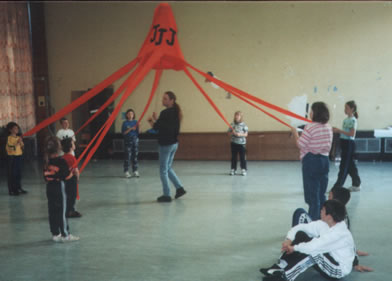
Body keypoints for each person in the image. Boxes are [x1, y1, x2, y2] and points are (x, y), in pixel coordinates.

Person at [260, 200, 355, 281]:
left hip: (337, 269)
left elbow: (313, 247)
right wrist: (289, 240)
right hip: (328, 257)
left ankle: (285, 276)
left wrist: (294, 248)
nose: (320, 211)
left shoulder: (339, 234)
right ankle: (280, 267)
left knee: (313, 251)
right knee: (301, 235)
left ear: (329, 217)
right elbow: (301, 227)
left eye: (322, 210)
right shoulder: (325, 223)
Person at [292, 187, 373, 273]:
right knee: (300, 213)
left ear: (336, 200)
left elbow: (348, 240)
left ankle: (295, 251)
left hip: (323, 243)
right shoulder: (333, 210)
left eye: (330, 196)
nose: (327, 199)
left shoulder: (341, 220)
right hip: (319, 232)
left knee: (301, 216)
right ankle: (295, 246)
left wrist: (354, 261)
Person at [290, 102, 333, 220]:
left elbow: (300, 144)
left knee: (312, 196)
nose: (310, 113)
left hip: (311, 162)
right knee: (321, 194)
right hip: (324, 161)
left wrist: (295, 134)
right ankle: (322, 219)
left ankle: (314, 224)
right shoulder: (328, 127)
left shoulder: (310, 127)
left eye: (311, 111)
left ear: (315, 113)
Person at [148, 91, 186, 203]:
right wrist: (157, 119)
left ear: (171, 100)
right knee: (168, 168)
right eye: (163, 98)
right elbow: (164, 126)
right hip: (174, 144)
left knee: (163, 170)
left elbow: (156, 127)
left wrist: (151, 120)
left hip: (166, 144)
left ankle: (166, 195)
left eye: (165, 99)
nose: (163, 101)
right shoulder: (176, 112)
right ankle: (180, 188)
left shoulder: (165, 113)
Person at [43, 136, 79, 242]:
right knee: (62, 211)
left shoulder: (46, 161)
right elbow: (66, 176)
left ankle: (55, 234)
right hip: (59, 188)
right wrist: (72, 173)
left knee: (52, 210)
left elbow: (45, 177)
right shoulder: (61, 161)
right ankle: (65, 234)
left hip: (49, 187)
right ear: (59, 148)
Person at [332, 101, 361, 192]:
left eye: (347, 108)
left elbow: (352, 134)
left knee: (344, 166)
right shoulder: (346, 120)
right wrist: (337, 130)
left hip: (349, 144)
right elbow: (345, 132)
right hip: (344, 143)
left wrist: (339, 131)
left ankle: (337, 187)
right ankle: (356, 184)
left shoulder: (353, 120)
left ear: (352, 109)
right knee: (350, 166)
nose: (345, 110)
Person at [61, 138, 82, 218]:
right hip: (71, 179)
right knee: (72, 196)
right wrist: (77, 178)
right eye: (73, 143)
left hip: (64, 180)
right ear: (70, 147)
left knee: (66, 195)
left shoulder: (63, 157)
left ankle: (66, 210)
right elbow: (76, 171)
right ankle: (71, 211)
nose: (74, 144)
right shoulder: (72, 157)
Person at [6, 122, 27, 196]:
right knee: (12, 174)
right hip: (12, 158)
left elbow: (22, 147)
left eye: (17, 128)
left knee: (19, 174)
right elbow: (11, 147)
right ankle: (12, 190)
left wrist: (21, 142)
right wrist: (17, 143)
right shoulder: (9, 138)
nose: (17, 130)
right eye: (15, 128)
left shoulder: (18, 137)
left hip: (19, 157)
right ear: (10, 130)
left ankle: (19, 188)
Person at [228, 111, 248, 176]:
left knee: (242, 157)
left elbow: (246, 134)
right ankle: (233, 169)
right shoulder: (232, 125)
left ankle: (243, 169)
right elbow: (228, 133)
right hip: (233, 143)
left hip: (242, 144)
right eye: (236, 115)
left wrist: (240, 134)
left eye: (238, 115)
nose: (237, 116)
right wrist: (232, 133)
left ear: (241, 117)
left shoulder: (244, 125)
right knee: (234, 157)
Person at [122, 109, 139, 178]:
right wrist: (130, 129)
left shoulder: (136, 122)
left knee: (135, 156)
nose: (130, 115)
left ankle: (135, 170)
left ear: (133, 115)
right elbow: (124, 133)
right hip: (127, 141)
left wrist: (138, 128)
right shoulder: (125, 123)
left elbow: (138, 132)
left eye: (132, 114)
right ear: (126, 115)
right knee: (127, 156)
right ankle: (126, 171)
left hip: (135, 140)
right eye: (129, 114)